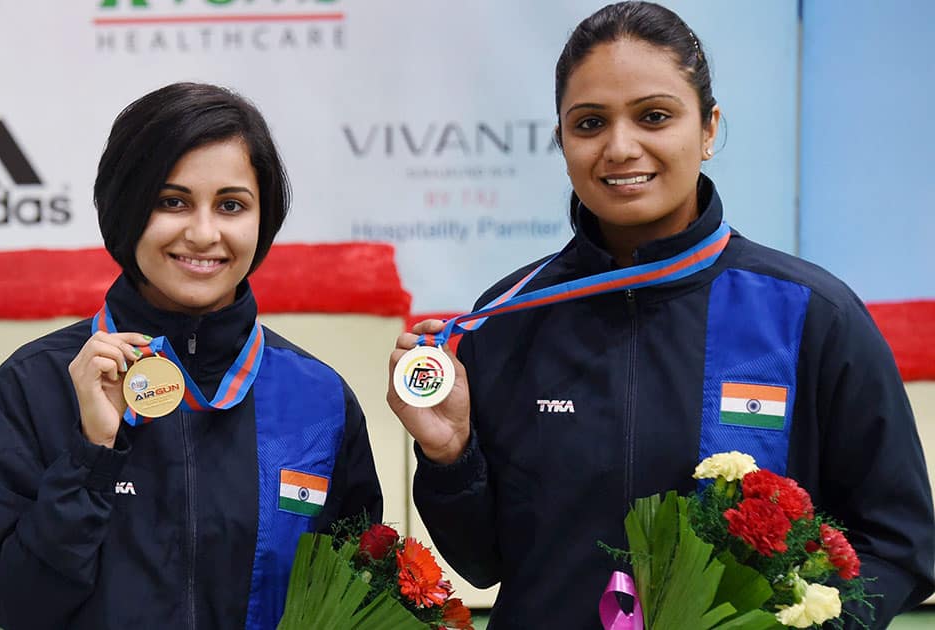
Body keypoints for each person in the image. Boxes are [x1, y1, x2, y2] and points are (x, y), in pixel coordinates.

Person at [388, 3, 934, 628]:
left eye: (654, 116)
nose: (621, 148)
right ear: (562, 139)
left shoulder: (812, 314)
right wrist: (450, 455)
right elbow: (481, 563)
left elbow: (899, 543)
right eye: (590, 123)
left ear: (707, 129)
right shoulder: (506, 319)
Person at [0, 82, 382, 629]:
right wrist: (92, 455)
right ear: (125, 208)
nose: (203, 233)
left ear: (264, 220)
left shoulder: (318, 398)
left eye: (231, 205)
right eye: (172, 202)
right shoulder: (37, 383)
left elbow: (360, 602)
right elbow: (18, 607)